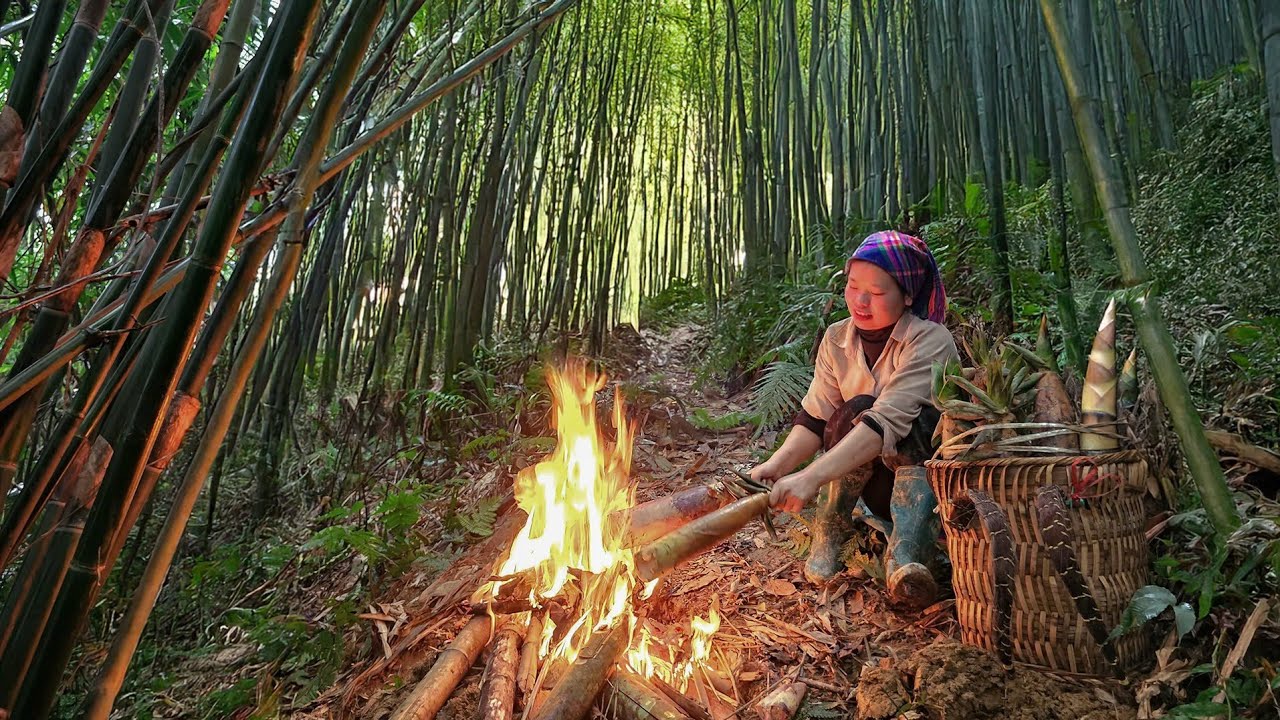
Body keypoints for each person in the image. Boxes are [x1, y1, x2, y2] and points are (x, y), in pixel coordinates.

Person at [751, 230, 959, 608]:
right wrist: (776, 467)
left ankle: (910, 551)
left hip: (924, 484)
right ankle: (830, 530)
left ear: (907, 295)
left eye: (877, 293)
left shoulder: (931, 340)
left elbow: (887, 422)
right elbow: (816, 418)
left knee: (914, 421)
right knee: (849, 411)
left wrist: (810, 477)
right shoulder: (836, 338)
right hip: (866, 482)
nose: (860, 301)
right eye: (852, 286)